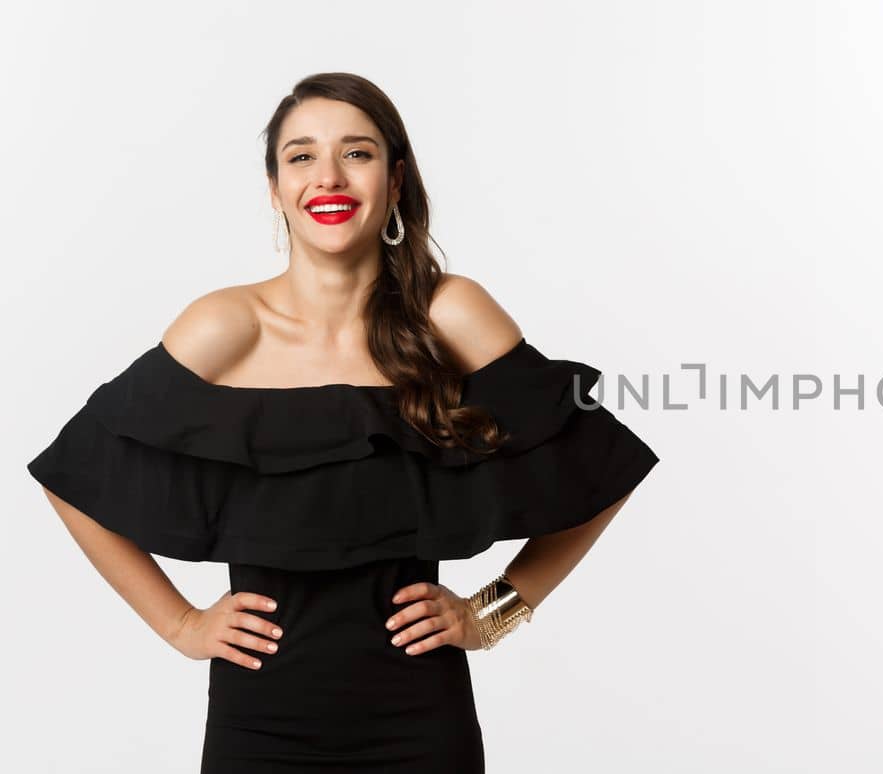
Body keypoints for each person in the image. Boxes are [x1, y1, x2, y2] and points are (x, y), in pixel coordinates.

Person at [23, 72, 660, 772]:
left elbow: (602, 466)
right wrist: (178, 622)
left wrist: (496, 609)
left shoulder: (451, 315)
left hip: (422, 724)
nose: (327, 175)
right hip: (257, 728)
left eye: (356, 153)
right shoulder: (223, 326)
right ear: (274, 188)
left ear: (395, 180)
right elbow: (72, 476)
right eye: (300, 156)